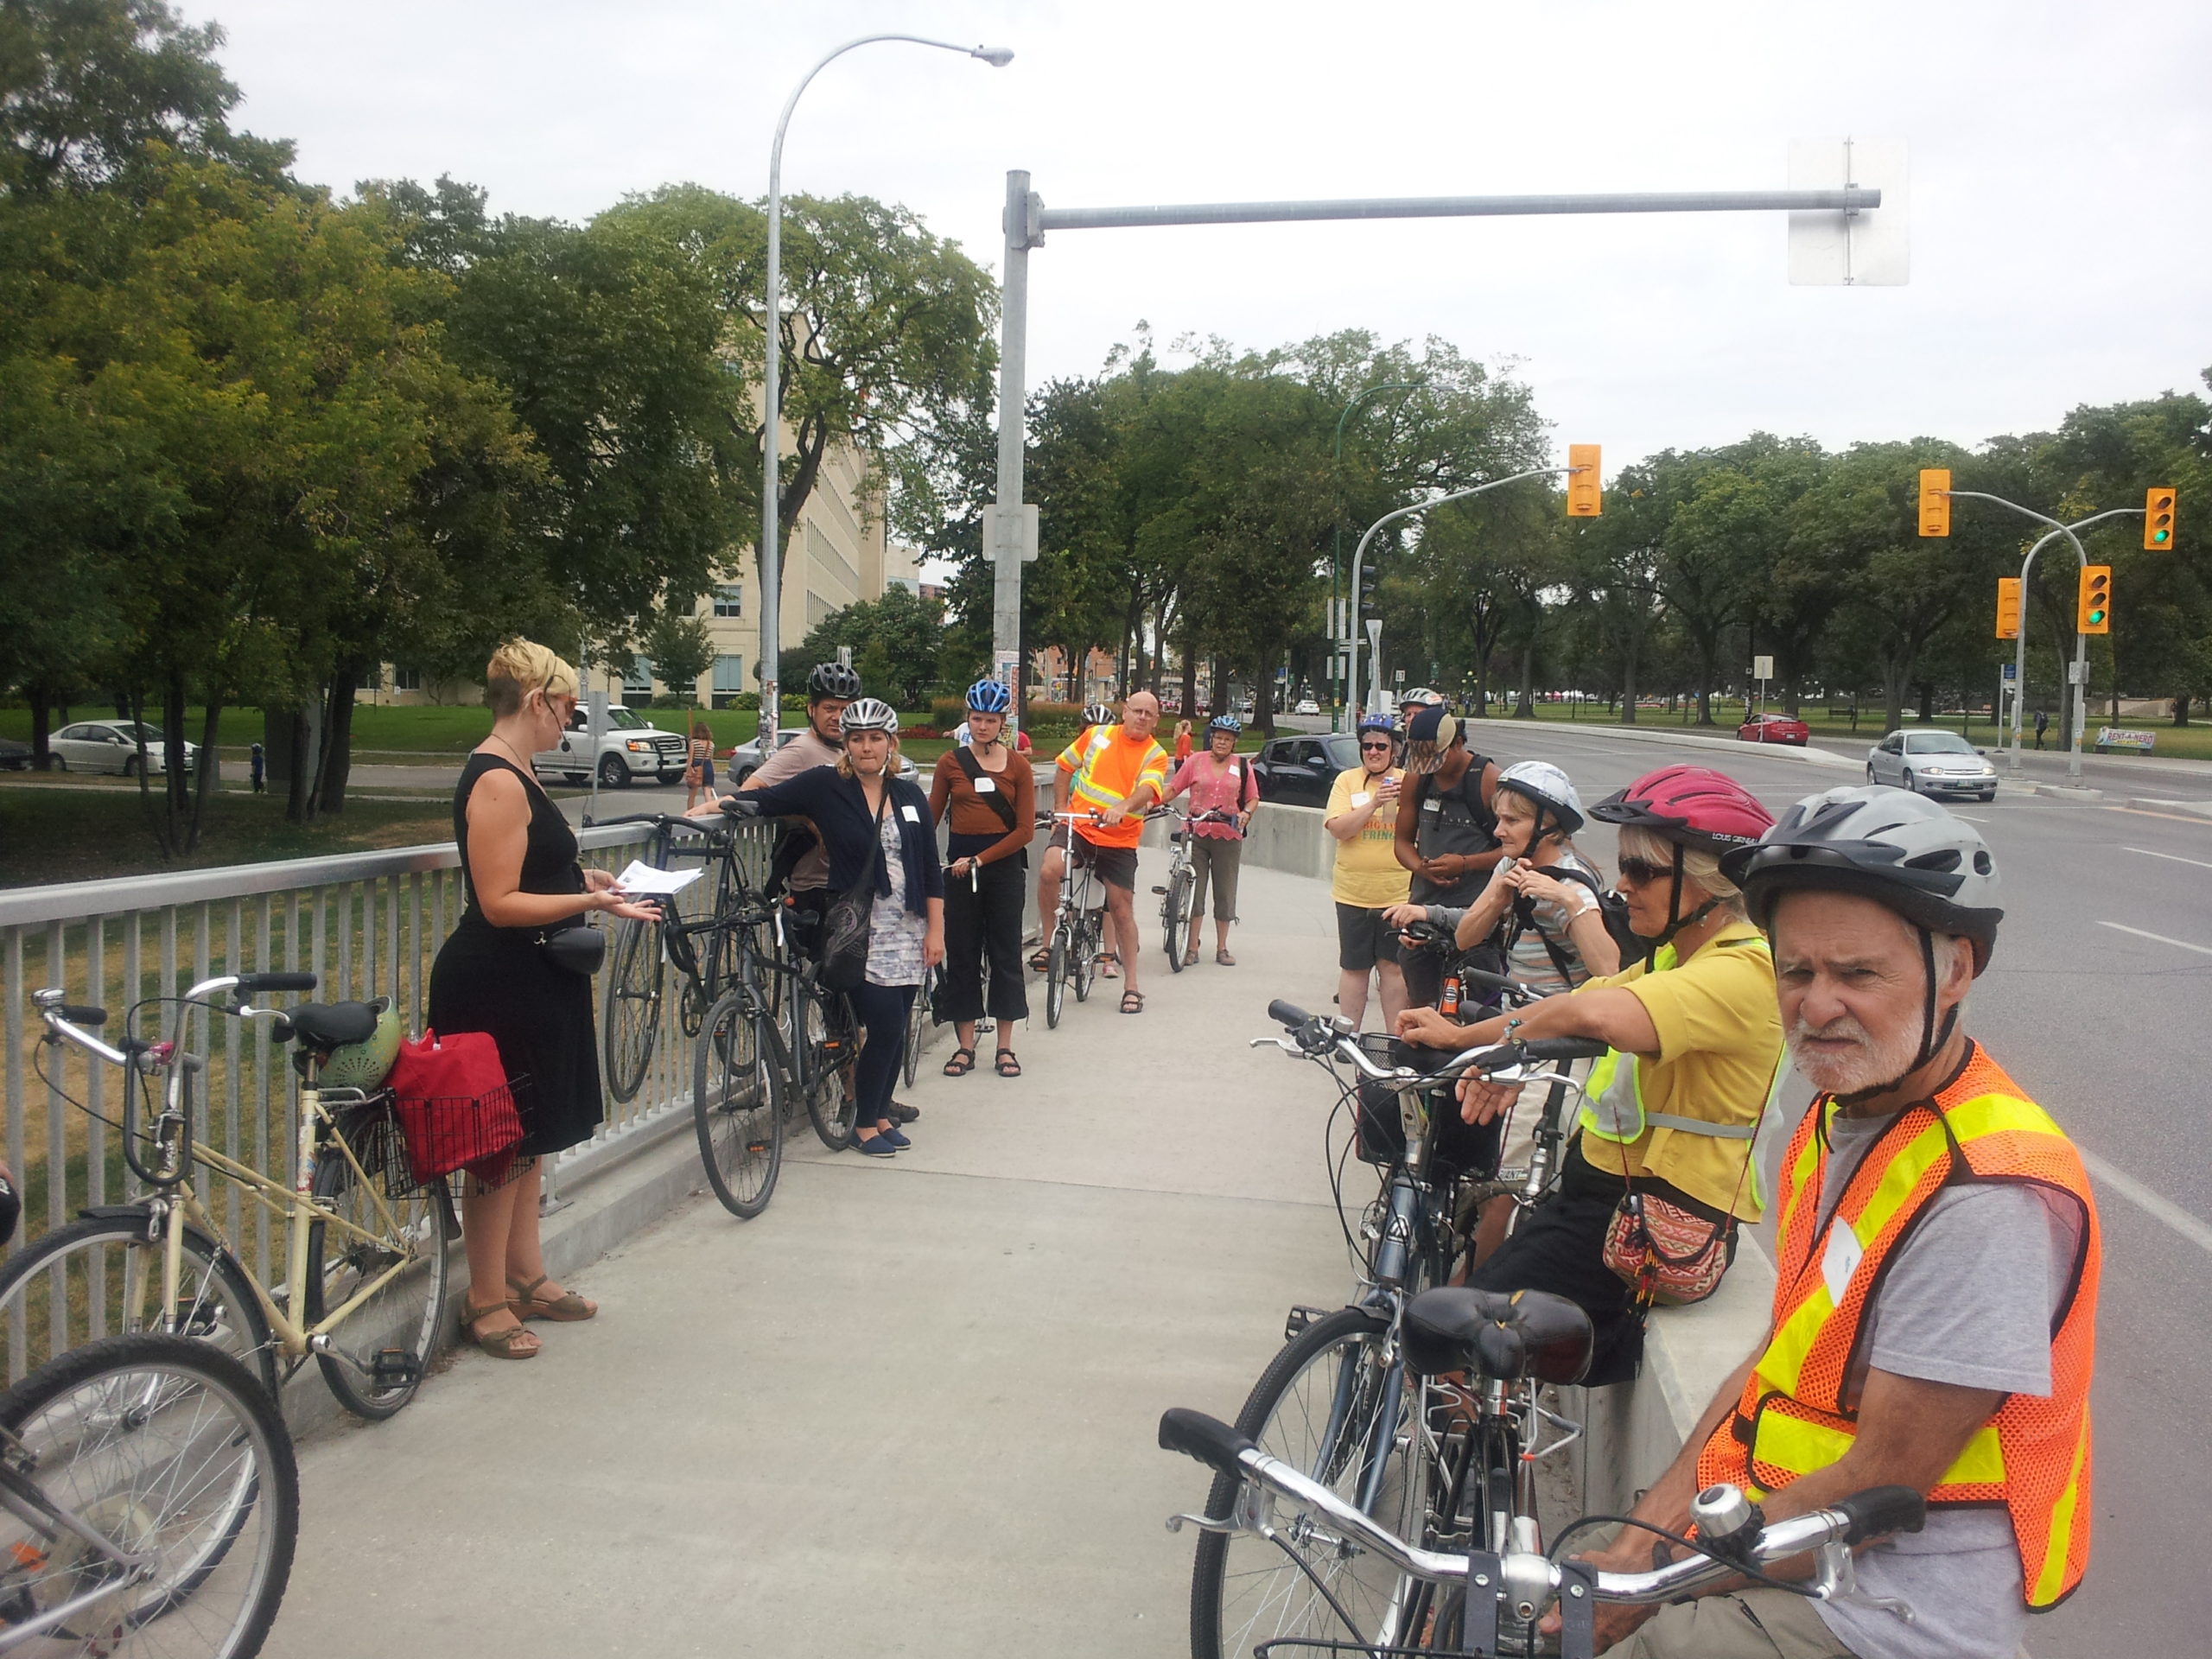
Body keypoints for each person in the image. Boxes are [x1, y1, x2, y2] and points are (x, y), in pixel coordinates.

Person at [1575, 786, 2100, 1659]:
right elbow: (1780, 1350)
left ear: (1957, 969)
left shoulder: (1985, 1197)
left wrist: (1651, 1575)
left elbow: (1879, 1482)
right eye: (1796, 972)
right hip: (1791, 1558)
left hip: (1885, 1615)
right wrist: (1646, 1530)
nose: (1816, 1008)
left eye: (1857, 974)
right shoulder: (1843, 1116)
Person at [1397, 765, 1781, 1385]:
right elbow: (1576, 1004)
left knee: (1453, 1337)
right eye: (1624, 867)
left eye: (1643, 871)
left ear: (1711, 879)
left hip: (1653, 1226)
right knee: (1472, 1313)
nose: (1623, 885)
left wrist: (1480, 1042)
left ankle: (1474, 1455)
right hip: (1602, 1207)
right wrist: (1472, 1042)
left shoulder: (1742, 973)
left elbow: (1591, 1010)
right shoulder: (1675, 958)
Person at [429, 639, 659, 1360]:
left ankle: (527, 1277)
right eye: (566, 708)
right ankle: (485, 1297)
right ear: (536, 702)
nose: (570, 722)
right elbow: (497, 901)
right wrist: (598, 903)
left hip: (535, 979)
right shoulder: (497, 780)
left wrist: (579, 878)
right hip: (499, 982)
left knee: (529, 1142)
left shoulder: (518, 770)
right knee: (499, 1147)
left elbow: (529, 864)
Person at [726, 699, 944, 1154]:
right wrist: (709, 804)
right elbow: (763, 798)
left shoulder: (907, 794)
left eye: (875, 738)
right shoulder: (827, 785)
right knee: (882, 1023)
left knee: (900, 1023)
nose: (867, 748)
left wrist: (936, 929)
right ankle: (863, 1124)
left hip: (908, 926)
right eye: (857, 739)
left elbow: (929, 863)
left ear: (891, 743)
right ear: (845, 745)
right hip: (859, 926)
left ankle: (881, 1114)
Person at [1384, 760, 1620, 1001]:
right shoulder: (1510, 864)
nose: (1498, 831)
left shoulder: (1572, 886)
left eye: (1512, 821)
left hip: (1555, 1027)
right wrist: (1497, 899)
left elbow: (1610, 972)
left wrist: (1569, 902)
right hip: (1514, 1018)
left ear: (1547, 827)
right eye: (1499, 819)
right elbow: (1465, 939)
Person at [1035, 690, 1170, 1014]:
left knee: (1121, 909)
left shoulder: (1156, 754)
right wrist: (1059, 810)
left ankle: (1132, 986)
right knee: (1049, 869)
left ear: (1156, 720)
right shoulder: (1096, 736)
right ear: (1124, 712)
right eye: (1136, 711)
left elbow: (1149, 789)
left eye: (1148, 714)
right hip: (1079, 826)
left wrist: (1122, 808)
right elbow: (1065, 766)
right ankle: (1047, 943)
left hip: (1119, 838)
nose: (1141, 718)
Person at [930, 679, 1035, 1078]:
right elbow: (932, 816)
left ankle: (1005, 1046)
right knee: (962, 952)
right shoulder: (950, 763)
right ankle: (965, 1046)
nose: (982, 727)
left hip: (1002, 867)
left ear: (1002, 722)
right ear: (968, 718)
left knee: (1005, 952)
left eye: (990, 720)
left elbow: (1025, 830)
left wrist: (981, 858)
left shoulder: (1018, 765)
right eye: (976, 719)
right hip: (959, 868)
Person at [1393, 707, 1505, 1008]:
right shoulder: (1418, 780)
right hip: (1425, 908)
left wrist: (1466, 863)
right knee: (1422, 1002)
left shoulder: (1488, 780)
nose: (1432, 769)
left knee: (1479, 1006)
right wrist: (1421, 867)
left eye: (1438, 760)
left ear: (1457, 743)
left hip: (1475, 910)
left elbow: (1516, 850)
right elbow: (1402, 842)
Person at [739, 661, 860, 930]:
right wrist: (807, 820)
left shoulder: (847, 750)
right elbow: (750, 791)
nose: (838, 717)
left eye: (845, 709)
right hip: (815, 885)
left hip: (845, 880)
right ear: (811, 709)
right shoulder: (802, 750)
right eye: (829, 708)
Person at [1323, 716, 1411, 1030]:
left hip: (1397, 895)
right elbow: (1339, 829)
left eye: (1381, 746)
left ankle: (1395, 1040)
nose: (1373, 752)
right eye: (1367, 746)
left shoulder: (1408, 782)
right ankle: (1348, 1036)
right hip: (1353, 893)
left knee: (1393, 969)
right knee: (1354, 967)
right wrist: (1375, 802)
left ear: (1394, 750)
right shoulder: (1347, 781)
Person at [1160, 715, 1259, 965]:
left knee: (1225, 890)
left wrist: (1246, 813)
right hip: (1196, 831)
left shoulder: (1243, 767)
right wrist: (1152, 802)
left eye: (1228, 739)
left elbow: (1253, 798)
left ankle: (1222, 947)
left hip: (1228, 833)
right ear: (1211, 739)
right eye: (1218, 738)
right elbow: (1174, 788)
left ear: (1234, 743)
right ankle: (1191, 947)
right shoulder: (1195, 761)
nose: (1222, 743)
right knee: (1195, 889)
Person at [683, 716, 715, 812]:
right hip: (708, 766)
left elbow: (690, 758)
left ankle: (690, 812)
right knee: (707, 792)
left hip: (696, 765)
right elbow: (711, 758)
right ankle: (709, 811)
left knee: (692, 793)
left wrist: (688, 770)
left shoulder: (694, 742)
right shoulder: (711, 744)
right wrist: (713, 771)